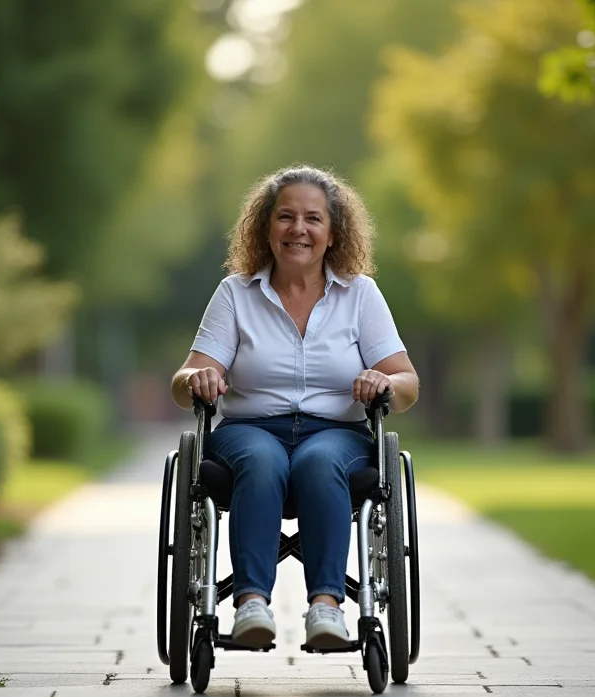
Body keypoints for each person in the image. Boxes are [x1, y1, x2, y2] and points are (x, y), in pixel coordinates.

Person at [170, 165, 418, 650]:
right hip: (251, 431)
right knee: (262, 462)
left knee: (319, 462)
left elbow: (407, 383)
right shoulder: (236, 294)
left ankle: (326, 608)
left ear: (333, 233)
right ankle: (251, 607)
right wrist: (198, 378)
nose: (298, 229)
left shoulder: (360, 294)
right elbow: (183, 382)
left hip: (337, 434)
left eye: (312, 219)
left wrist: (381, 379)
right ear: (265, 228)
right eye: (285, 217)